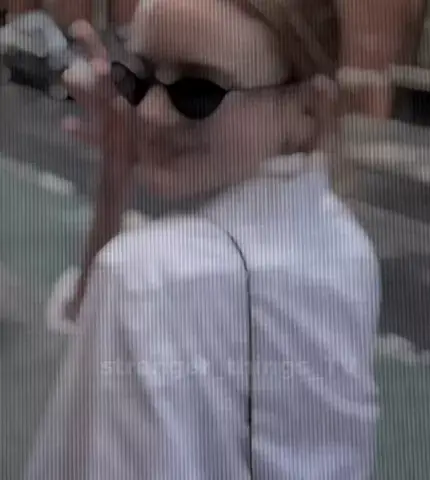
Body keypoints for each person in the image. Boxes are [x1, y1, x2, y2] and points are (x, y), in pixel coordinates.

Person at [26, 0, 380, 478]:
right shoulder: (347, 246)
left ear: (306, 112)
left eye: (198, 91)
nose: (150, 112)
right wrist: (115, 175)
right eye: (137, 77)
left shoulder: (146, 278)